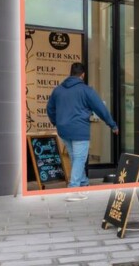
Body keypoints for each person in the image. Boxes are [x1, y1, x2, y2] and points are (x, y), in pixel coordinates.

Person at [47, 62, 118, 199]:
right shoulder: (86, 90)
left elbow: (50, 109)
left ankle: (83, 183)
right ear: (83, 75)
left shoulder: (58, 90)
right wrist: (113, 125)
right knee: (79, 159)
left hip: (64, 130)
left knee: (75, 158)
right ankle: (73, 189)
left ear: (71, 73)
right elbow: (101, 109)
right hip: (79, 130)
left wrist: (57, 122)